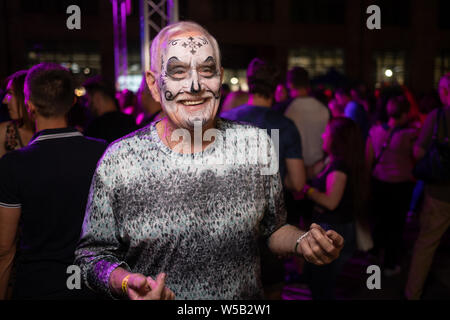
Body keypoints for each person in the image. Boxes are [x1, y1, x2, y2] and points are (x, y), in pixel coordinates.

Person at [74, 21, 344, 300]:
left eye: (206, 70)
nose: (195, 85)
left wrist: (302, 241)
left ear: (220, 78)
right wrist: (124, 281)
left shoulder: (257, 145)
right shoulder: (120, 161)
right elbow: (91, 256)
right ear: (155, 85)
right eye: (178, 72)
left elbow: (273, 228)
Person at [0, 63, 108, 299]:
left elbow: (5, 249)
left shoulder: (14, 165)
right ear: (72, 102)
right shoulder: (103, 153)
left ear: (29, 105)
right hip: (93, 287)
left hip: (37, 287)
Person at [221, 58, 305, 298]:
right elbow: (298, 183)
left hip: (229, 224)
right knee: (271, 291)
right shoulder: (284, 125)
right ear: (277, 87)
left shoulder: (225, 120)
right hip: (268, 225)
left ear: (249, 83)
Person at [301, 117, 368, 300]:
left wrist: (307, 190)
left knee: (323, 283)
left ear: (337, 139)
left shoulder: (339, 167)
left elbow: (331, 202)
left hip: (334, 229)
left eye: (327, 133)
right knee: (321, 280)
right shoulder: (333, 160)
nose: (323, 136)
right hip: (333, 226)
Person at [405, 73, 450, 300]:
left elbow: (419, 152)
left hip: (440, 193)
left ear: (444, 92)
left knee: (426, 245)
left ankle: (413, 293)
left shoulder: (438, 116)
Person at [366, 96, 417, 275]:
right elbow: (417, 157)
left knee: (379, 220)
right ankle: (389, 263)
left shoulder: (375, 131)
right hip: (401, 185)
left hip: (379, 182)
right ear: (404, 113)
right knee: (396, 225)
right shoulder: (410, 135)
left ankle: (373, 253)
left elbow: (368, 159)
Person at [284, 67, 329, 179]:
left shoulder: (286, 109)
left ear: (290, 84)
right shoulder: (323, 108)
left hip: (293, 170)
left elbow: (277, 139)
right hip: (319, 168)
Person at [83, 76, 137, 143]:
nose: (87, 104)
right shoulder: (130, 121)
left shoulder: (95, 128)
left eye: (87, 99)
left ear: (97, 97)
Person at [0, 70, 35, 157]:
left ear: (25, 96)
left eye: (10, 94)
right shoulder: (4, 132)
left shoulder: (47, 130)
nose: (4, 101)